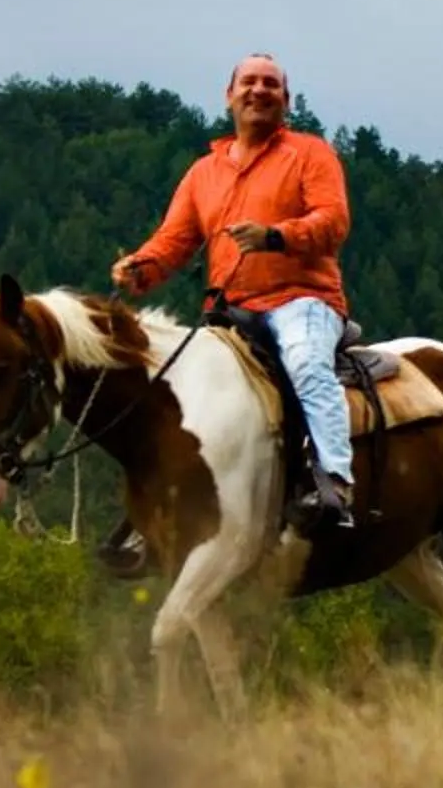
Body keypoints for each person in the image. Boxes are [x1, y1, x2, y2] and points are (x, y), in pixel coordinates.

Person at [110, 51, 357, 539]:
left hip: (301, 300)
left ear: (286, 100)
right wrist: (141, 269)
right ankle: (159, 503)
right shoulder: (204, 172)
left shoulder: (310, 153)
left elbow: (334, 221)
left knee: (307, 364)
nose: (259, 90)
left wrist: (275, 237)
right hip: (227, 313)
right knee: (173, 389)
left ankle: (334, 484)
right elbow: (174, 240)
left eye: (271, 84)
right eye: (249, 82)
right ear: (229, 96)